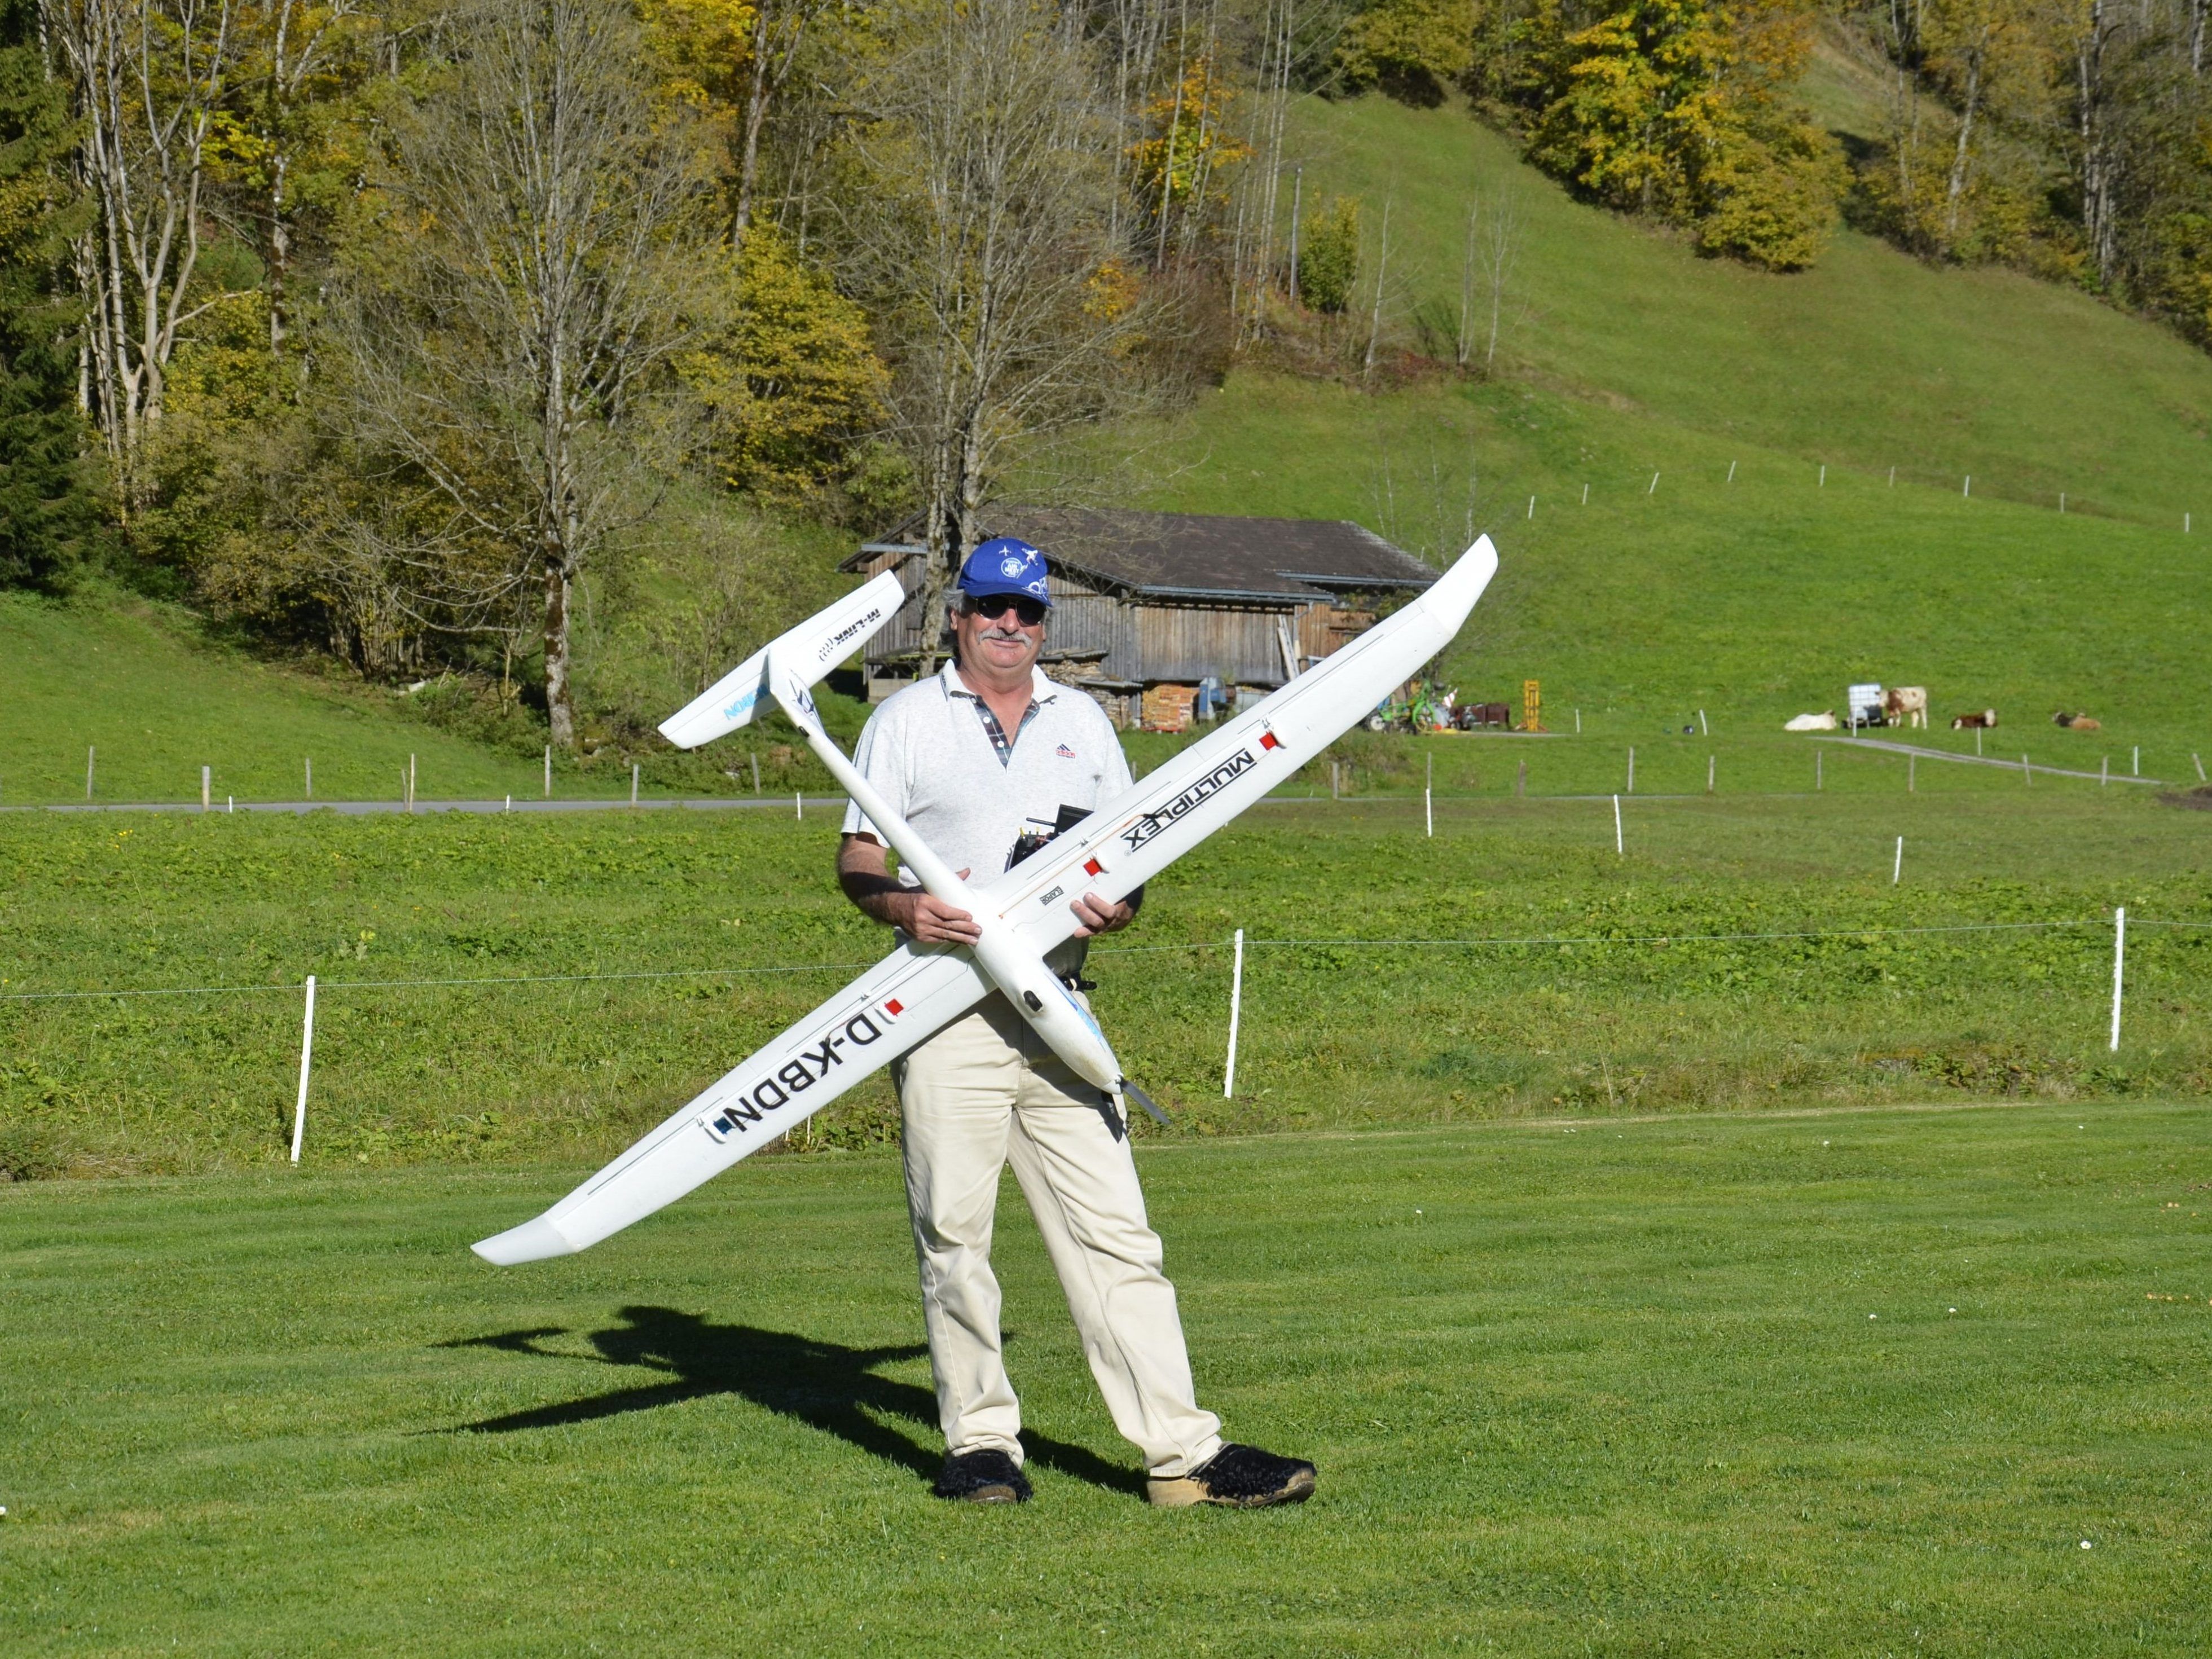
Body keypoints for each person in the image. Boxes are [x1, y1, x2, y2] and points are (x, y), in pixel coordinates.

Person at [836, 536, 1317, 1510]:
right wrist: (903, 909)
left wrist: (1122, 907)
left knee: (1118, 1237)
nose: (1008, 627)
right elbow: (856, 858)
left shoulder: (1085, 722)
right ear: (959, 616)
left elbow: (1126, 858)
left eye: (1026, 613)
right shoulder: (904, 722)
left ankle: (1182, 1456)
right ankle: (980, 1447)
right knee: (953, 1235)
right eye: (989, 609)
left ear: (1044, 624)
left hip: (1058, 1010)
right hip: (943, 1013)